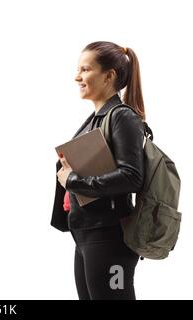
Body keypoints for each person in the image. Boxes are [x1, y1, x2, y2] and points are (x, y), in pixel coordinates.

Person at [51, 41, 145, 300]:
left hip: (109, 236)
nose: (77, 76)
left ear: (109, 75)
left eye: (85, 69)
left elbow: (132, 176)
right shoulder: (95, 120)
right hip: (87, 234)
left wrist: (73, 180)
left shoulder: (121, 116)